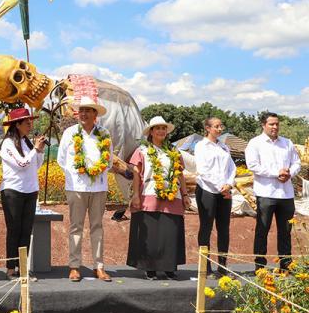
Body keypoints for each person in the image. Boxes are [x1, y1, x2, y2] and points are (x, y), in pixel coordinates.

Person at [127, 116, 190, 280]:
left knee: (170, 233)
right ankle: (150, 268)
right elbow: (136, 174)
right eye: (158, 128)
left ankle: (169, 267)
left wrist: (184, 194)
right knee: (151, 233)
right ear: (151, 132)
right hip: (149, 193)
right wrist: (135, 195)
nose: (161, 131)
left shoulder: (174, 152)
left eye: (163, 128)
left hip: (172, 196)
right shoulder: (142, 150)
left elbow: (180, 174)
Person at [57, 96, 113, 282]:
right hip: (76, 187)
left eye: (88, 110)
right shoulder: (70, 133)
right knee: (76, 227)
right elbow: (61, 160)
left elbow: (110, 161)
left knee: (97, 227)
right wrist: (76, 176)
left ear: (95, 114)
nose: (83, 113)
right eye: (81, 110)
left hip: (98, 187)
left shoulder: (104, 134)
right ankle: (74, 266)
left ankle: (99, 266)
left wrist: (94, 172)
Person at [245, 112, 300, 272]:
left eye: (277, 124)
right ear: (263, 125)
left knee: (286, 231)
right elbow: (253, 165)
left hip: (286, 194)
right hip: (266, 194)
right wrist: (277, 172)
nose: (275, 127)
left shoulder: (287, 143)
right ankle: (260, 266)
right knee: (262, 230)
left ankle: (286, 265)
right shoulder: (255, 143)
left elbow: (296, 162)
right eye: (271, 124)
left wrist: (290, 172)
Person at [0, 108, 45, 281]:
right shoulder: (8, 144)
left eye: (30, 121)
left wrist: (39, 150)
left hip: (30, 191)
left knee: (26, 231)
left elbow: (36, 165)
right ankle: (11, 269)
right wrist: (35, 151)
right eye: (26, 122)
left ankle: (23, 269)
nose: (30, 124)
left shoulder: (26, 142)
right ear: (17, 124)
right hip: (13, 191)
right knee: (14, 230)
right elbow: (22, 164)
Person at [194, 117, 236, 277]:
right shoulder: (201, 146)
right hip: (207, 190)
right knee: (206, 227)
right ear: (207, 128)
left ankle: (222, 266)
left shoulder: (224, 147)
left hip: (225, 191)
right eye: (216, 126)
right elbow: (203, 170)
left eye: (221, 126)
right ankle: (205, 267)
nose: (220, 129)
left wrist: (229, 185)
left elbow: (231, 168)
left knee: (224, 228)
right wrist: (220, 187)